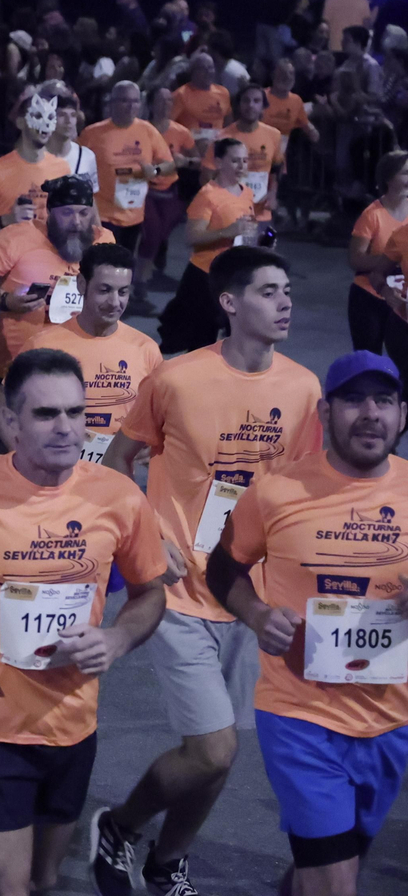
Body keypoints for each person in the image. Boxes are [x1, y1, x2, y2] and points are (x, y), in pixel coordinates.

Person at [0, 348, 168, 896]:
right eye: (46, 414)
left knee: (43, 881)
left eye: (75, 412)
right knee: (4, 884)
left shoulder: (118, 497)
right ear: (11, 421)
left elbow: (149, 593)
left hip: (71, 721)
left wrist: (116, 638)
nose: (66, 428)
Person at [95, 247, 323, 896]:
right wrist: (148, 536)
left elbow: (301, 490)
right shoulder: (175, 379)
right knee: (215, 746)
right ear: (229, 302)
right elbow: (119, 460)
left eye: (287, 291)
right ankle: (119, 825)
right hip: (179, 593)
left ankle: (168, 860)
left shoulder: (304, 388)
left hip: (252, 598)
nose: (285, 303)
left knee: (217, 756)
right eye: (269, 291)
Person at [208, 350, 408, 896]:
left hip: (391, 720)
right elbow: (223, 569)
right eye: (354, 400)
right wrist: (257, 614)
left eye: (384, 401)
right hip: (300, 717)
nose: (371, 413)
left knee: (335, 862)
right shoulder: (276, 491)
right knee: (335, 883)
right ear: (324, 413)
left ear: (402, 413)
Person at [0, 243, 162, 468]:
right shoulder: (45, 344)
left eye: (123, 292)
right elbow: (0, 405)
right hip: (54, 477)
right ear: (82, 285)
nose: (114, 302)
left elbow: (160, 418)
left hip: (116, 481)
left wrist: (153, 446)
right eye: (104, 290)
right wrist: (24, 454)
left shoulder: (146, 349)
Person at [0, 175, 111, 395]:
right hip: (17, 367)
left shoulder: (103, 242)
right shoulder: (17, 237)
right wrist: (5, 300)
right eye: (67, 213)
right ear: (50, 213)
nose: (77, 223)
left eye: (83, 213)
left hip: (81, 367)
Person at [157, 138, 258, 355]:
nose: (241, 166)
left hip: (234, 277)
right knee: (202, 342)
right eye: (235, 161)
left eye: (244, 161)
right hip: (205, 278)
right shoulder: (207, 196)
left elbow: (245, 230)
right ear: (220, 163)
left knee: (237, 338)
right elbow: (192, 237)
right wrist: (227, 232)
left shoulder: (247, 192)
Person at [77, 80, 174, 255]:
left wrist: (154, 171)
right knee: (99, 262)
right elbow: (76, 169)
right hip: (102, 214)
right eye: (125, 101)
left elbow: (169, 165)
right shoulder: (92, 134)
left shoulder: (148, 130)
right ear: (112, 103)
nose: (131, 106)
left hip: (134, 215)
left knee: (125, 264)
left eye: (135, 101)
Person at [0, 86, 71, 234]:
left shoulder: (62, 169)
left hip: (46, 254)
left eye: (50, 117)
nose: (45, 123)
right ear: (20, 122)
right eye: (38, 116)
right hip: (8, 255)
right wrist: (5, 220)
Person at [135, 87, 199, 311]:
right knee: (152, 234)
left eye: (169, 101)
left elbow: (197, 160)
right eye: (160, 101)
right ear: (151, 104)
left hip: (170, 191)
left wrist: (185, 161)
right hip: (145, 191)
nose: (165, 105)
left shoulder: (181, 132)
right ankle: (140, 281)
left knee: (159, 235)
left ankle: (143, 267)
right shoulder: (141, 129)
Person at [345, 150, 408, 354]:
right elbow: (356, 259)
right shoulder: (372, 215)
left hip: (402, 299)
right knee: (369, 357)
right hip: (370, 296)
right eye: (405, 173)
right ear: (389, 178)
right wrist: (393, 259)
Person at [202, 85, 284, 229]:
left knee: (261, 251)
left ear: (263, 107)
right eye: (246, 101)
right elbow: (206, 175)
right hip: (229, 214)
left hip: (261, 214)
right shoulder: (222, 137)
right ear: (239, 105)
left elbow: (276, 170)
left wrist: (272, 194)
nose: (250, 105)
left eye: (256, 101)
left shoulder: (274, 135)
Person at [171, 52, 232, 175]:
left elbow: (229, 122)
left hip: (217, 153)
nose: (208, 71)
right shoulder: (181, 95)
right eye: (203, 68)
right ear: (192, 71)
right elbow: (168, 125)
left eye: (210, 67)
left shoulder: (223, 93)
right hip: (191, 155)